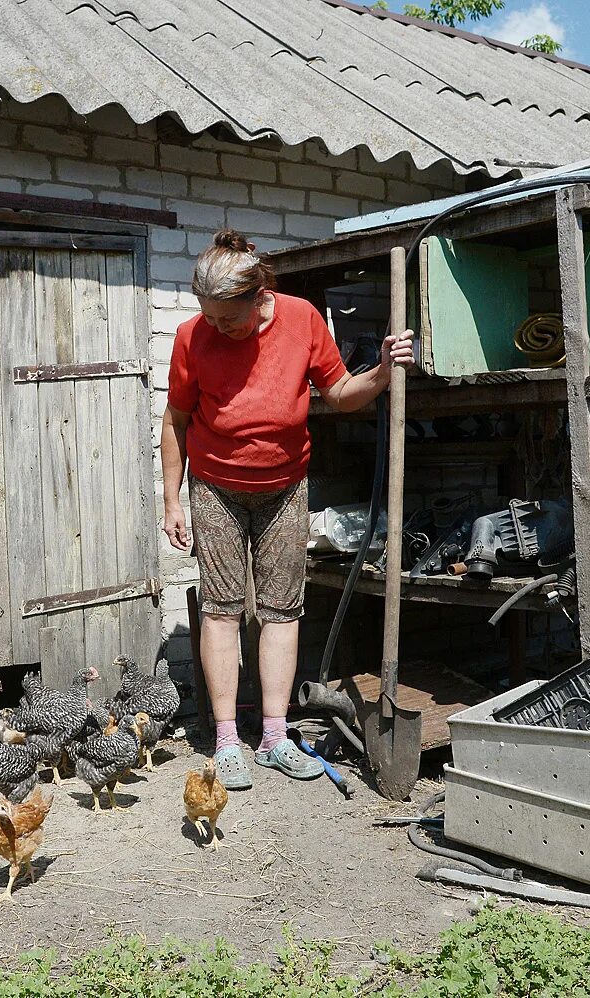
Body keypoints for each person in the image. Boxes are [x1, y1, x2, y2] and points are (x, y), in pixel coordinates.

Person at [162, 229, 415, 788]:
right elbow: (177, 421)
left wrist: (380, 373)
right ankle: (228, 740)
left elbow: (340, 393)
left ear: (260, 298)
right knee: (222, 608)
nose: (218, 328)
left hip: (284, 487)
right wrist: (171, 498)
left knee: (281, 609)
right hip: (216, 488)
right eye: (209, 316)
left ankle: (275, 736)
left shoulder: (301, 319)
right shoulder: (191, 337)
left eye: (228, 318)